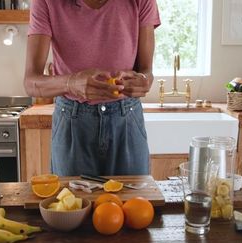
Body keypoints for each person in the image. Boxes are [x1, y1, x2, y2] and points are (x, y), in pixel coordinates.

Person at [24, 0, 160, 176]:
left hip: (127, 119)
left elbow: (146, 72)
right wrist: (71, 83)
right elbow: (30, 82)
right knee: (72, 202)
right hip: (72, 120)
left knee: (134, 201)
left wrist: (143, 81)